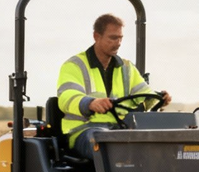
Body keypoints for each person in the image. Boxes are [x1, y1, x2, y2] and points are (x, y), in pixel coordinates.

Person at [56, 14, 172, 159]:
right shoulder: (75, 66)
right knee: (111, 146)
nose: (118, 43)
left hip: (120, 131)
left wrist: (159, 98)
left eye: (120, 38)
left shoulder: (127, 68)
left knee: (158, 146)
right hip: (85, 131)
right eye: (113, 38)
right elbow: (67, 97)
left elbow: (144, 94)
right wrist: (90, 103)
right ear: (96, 36)